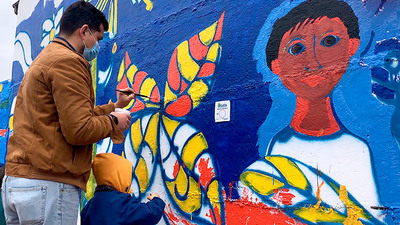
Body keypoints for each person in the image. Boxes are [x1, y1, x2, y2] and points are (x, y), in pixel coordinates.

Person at [240, 0, 383, 224]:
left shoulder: (357, 150)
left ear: (352, 46)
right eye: (297, 48)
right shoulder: (278, 145)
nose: (313, 62)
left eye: (329, 41)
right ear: (276, 65)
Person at [2, 1, 135, 224]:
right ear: (84, 31)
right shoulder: (69, 62)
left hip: (21, 182)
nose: (97, 46)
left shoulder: (47, 58)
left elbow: (73, 114)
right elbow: (79, 129)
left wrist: (115, 106)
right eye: (98, 38)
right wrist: (113, 121)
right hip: (49, 186)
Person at [81, 153, 165, 225]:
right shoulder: (123, 204)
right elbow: (150, 214)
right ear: (120, 177)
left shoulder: (89, 205)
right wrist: (156, 200)